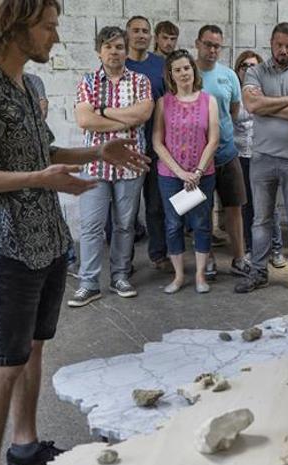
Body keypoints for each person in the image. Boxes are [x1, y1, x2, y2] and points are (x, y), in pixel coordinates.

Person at [0, 1, 149, 465]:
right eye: (49, 27)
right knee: (3, 363)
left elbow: (46, 153)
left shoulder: (28, 85)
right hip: (10, 247)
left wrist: (98, 150)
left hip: (49, 242)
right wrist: (39, 179)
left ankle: (25, 444)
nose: (56, 38)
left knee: (33, 351)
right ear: (15, 27)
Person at [68, 26, 154, 307]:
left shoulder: (140, 81)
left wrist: (102, 112)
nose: (114, 52)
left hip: (130, 164)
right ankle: (89, 283)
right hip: (95, 164)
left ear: (126, 50)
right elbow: (85, 121)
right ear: (99, 51)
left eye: (119, 46)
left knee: (124, 225)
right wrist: (124, 120)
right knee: (92, 226)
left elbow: (142, 114)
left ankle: (120, 276)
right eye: (108, 47)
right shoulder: (88, 81)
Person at [235, 22, 288, 296]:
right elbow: (252, 105)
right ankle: (258, 273)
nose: (283, 50)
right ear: (271, 43)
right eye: (279, 45)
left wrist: (269, 104)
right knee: (260, 220)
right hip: (262, 159)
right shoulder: (255, 71)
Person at [153, 49, 220, 294]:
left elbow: (213, 139)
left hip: (203, 175)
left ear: (194, 70)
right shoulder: (163, 103)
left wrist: (198, 171)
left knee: (202, 224)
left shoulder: (208, 101)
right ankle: (179, 276)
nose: (184, 73)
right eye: (178, 69)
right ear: (170, 74)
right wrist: (181, 173)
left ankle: (201, 276)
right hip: (171, 177)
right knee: (172, 225)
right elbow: (157, 142)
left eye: (187, 68)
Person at [195, 25, 250, 277]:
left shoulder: (228, 76)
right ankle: (208, 260)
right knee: (201, 211)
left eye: (217, 46)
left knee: (234, 207)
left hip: (227, 154)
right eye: (208, 44)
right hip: (197, 159)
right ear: (198, 44)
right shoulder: (187, 73)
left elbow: (234, 111)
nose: (212, 50)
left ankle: (239, 258)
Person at [233, 50, 286, 268]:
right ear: (238, 70)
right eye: (244, 65)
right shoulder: (233, 92)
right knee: (246, 205)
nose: (248, 69)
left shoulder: (267, 91)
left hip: (263, 154)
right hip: (239, 155)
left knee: (268, 205)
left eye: (253, 65)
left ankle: (275, 249)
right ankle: (250, 248)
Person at [125, 15, 170, 272]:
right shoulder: (121, 64)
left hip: (157, 146)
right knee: (126, 210)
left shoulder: (160, 65)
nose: (141, 35)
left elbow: (171, 104)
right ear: (127, 34)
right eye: (136, 30)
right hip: (128, 147)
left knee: (155, 204)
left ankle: (158, 253)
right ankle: (124, 260)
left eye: (145, 31)